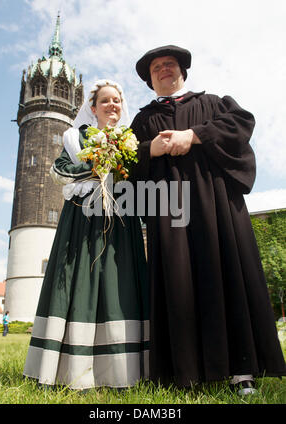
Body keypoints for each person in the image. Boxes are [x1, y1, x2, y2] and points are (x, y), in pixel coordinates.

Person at [131, 45, 286, 395]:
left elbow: (241, 123)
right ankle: (185, 373)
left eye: (169, 64)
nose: (163, 69)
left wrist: (194, 135)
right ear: (150, 79)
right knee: (177, 282)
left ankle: (240, 370)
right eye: (156, 68)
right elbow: (124, 166)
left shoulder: (214, 104)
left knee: (227, 275)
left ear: (182, 70)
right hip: (168, 211)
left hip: (216, 204)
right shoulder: (142, 121)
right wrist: (149, 150)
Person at [23, 79, 149, 390]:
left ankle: (122, 371)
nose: (112, 105)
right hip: (82, 218)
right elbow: (60, 169)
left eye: (116, 101)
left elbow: (139, 177)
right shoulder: (75, 136)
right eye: (105, 101)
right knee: (80, 282)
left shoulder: (129, 139)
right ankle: (69, 368)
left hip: (121, 217)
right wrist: (96, 163)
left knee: (119, 285)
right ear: (92, 108)